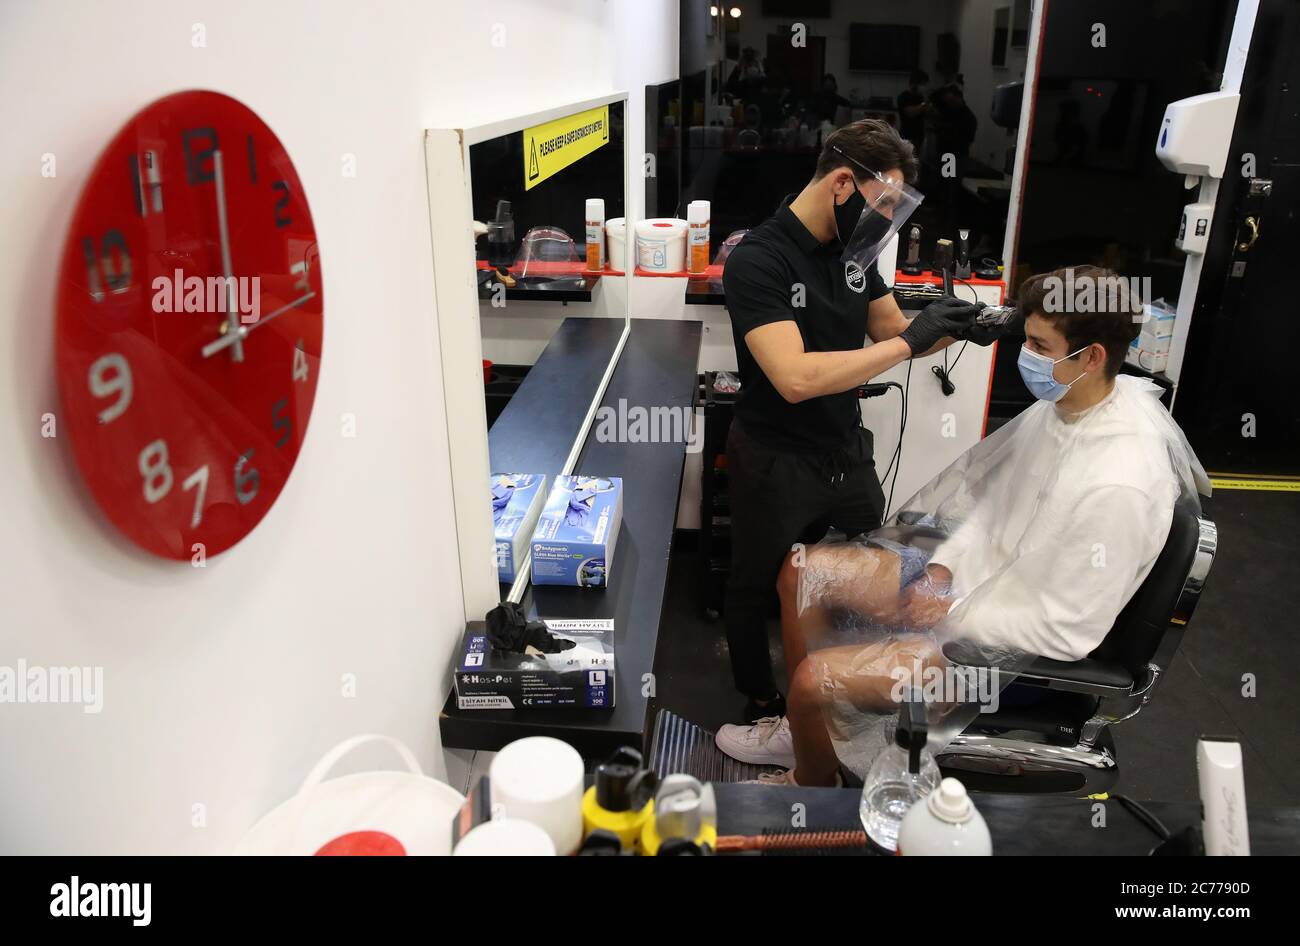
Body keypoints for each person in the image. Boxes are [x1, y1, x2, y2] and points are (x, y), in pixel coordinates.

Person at [716, 266, 1209, 786]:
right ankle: (806, 732)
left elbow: (1066, 628)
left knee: (816, 679)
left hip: (998, 648)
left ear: (1091, 357)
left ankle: (813, 785)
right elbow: (993, 511)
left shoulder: (1120, 484)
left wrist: (947, 620)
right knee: (802, 572)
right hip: (972, 589)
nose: (1027, 356)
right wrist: (942, 573)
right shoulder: (1064, 407)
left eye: (1041, 346)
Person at [720, 119, 991, 724]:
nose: (889, 217)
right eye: (885, 201)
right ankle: (763, 703)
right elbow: (794, 377)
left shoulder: (854, 253)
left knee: (873, 574)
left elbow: (893, 331)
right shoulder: (758, 260)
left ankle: (842, 701)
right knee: (756, 582)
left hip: (843, 451)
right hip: (774, 457)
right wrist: (905, 347)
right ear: (844, 182)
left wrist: (962, 327)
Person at [896, 70, 929, 148]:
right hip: (907, 137)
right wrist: (924, 104)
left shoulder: (920, 97)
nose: (924, 86)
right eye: (922, 84)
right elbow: (910, 112)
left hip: (919, 137)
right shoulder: (903, 97)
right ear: (915, 83)